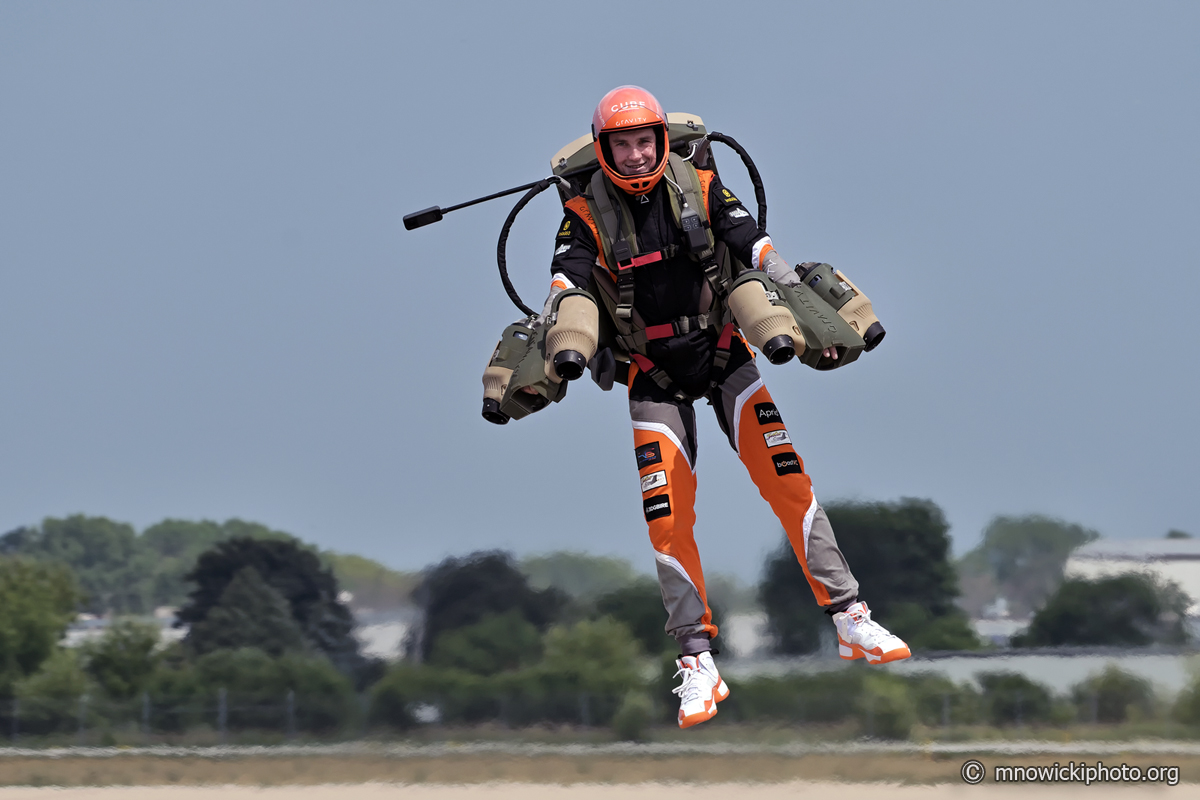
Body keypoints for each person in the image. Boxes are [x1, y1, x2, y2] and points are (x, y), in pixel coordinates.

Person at [540, 86, 910, 729]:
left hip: (724, 353)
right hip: (650, 374)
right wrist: (562, 317)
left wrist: (792, 285)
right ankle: (696, 662)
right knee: (667, 519)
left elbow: (751, 239)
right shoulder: (582, 210)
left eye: (643, 142)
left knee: (788, 481)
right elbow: (567, 273)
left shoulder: (702, 184)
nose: (634, 155)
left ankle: (851, 618)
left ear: (660, 140)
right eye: (621, 145)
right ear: (603, 150)